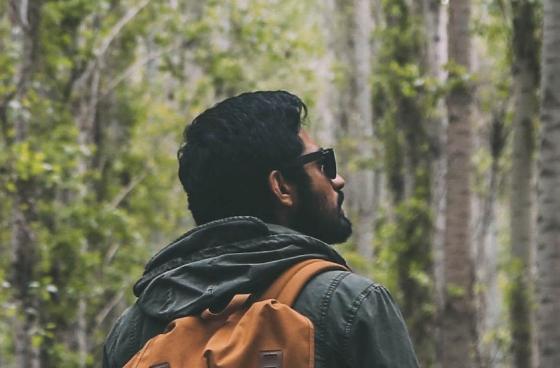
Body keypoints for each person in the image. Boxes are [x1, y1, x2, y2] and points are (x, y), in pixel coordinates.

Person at [102, 90, 420, 367]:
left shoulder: (133, 330)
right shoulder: (350, 303)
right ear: (281, 187)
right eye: (324, 163)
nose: (338, 179)